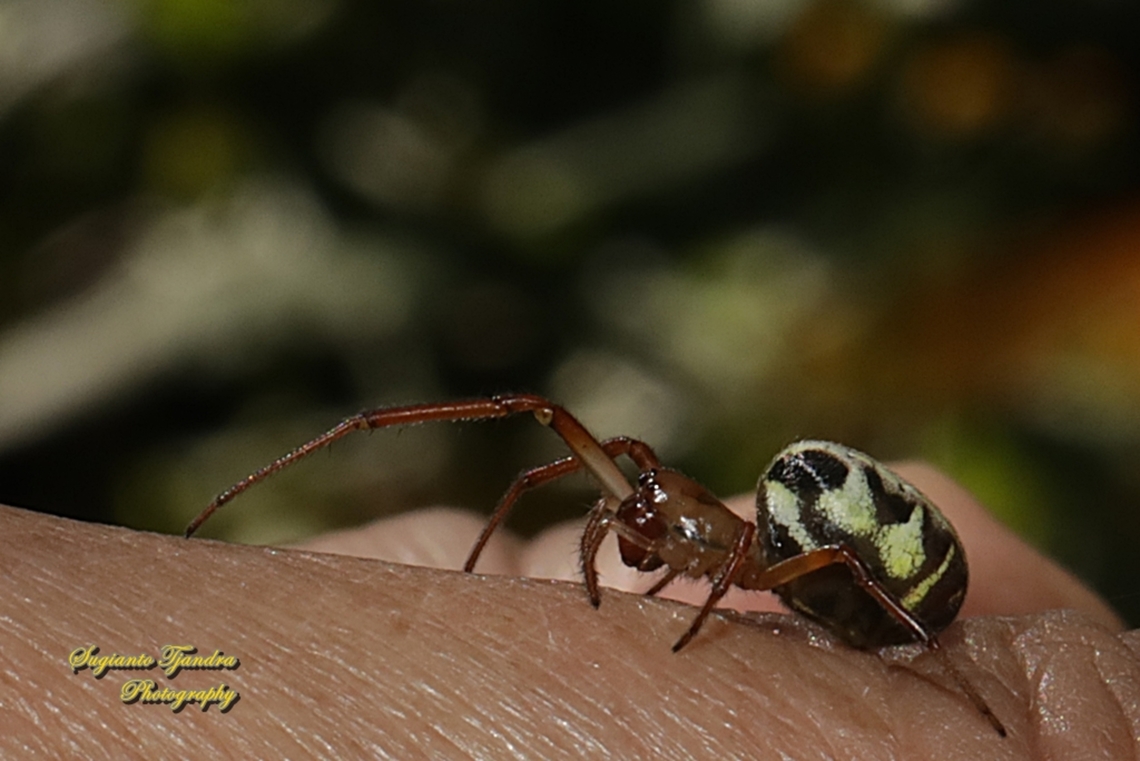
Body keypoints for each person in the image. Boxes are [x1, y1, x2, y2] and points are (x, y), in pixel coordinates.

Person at [1, 462, 1133, 757]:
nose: (630, 519)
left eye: (648, 514)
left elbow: (817, 548)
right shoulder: (668, 514)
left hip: (900, 577)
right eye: (630, 511)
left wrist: (955, 683)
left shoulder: (760, 546)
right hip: (851, 558)